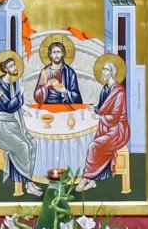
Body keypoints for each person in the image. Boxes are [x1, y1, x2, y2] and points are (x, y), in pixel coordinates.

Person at [0, 52, 42, 197]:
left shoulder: (9, 83)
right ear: (5, 69)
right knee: (23, 146)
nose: (14, 67)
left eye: (14, 64)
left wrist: (23, 109)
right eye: (11, 66)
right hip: (0, 126)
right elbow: (8, 107)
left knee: (32, 142)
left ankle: (29, 181)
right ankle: (27, 184)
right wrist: (21, 95)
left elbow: (14, 107)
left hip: (11, 123)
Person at [77, 56, 130, 193]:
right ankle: (93, 181)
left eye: (107, 69)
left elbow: (115, 116)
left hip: (118, 130)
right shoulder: (105, 89)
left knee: (94, 146)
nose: (104, 72)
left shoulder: (119, 92)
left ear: (112, 72)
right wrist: (93, 109)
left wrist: (99, 117)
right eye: (103, 69)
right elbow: (102, 107)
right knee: (90, 141)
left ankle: (86, 178)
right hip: (107, 127)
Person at [33, 38, 83, 105]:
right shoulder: (45, 72)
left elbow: (78, 98)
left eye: (58, 52)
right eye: (54, 52)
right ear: (50, 54)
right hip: (47, 106)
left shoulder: (70, 72)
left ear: (62, 53)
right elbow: (37, 96)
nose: (56, 55)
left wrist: (65, 91)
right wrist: (46, 85)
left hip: (65, 105)